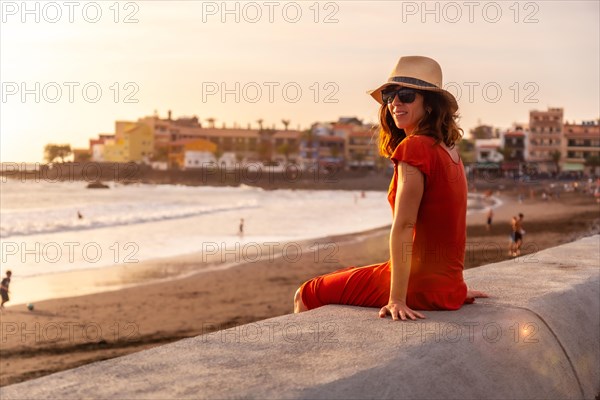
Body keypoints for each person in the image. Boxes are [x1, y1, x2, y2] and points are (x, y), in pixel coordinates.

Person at [293, 56, 488, 320]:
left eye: (406, 95)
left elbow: (405, 226)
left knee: (307, 292)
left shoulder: (415, 148)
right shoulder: (449, 151)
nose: (395, 102)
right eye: (390, 95)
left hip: (417, 286)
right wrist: (454, 287)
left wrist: (396, 299)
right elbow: (451, 226)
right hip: (445, 287)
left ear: (430, 105)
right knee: (348, 273)